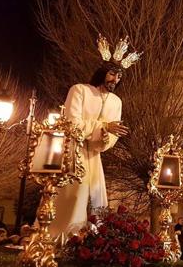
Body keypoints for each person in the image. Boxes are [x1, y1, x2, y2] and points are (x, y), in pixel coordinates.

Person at [50, 35, 139, 238]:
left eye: (119, 76)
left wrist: (107, 136)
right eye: (112, 74)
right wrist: (103, 126)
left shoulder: (116, 102)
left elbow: (111, 137)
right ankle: (61, 239)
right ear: (102, 72)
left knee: (96, 200)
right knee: (73, 198)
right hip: (73, 155)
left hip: (94, 158)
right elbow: (71, 124)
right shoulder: (80, 90)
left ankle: (93, 245)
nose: (116, 80)